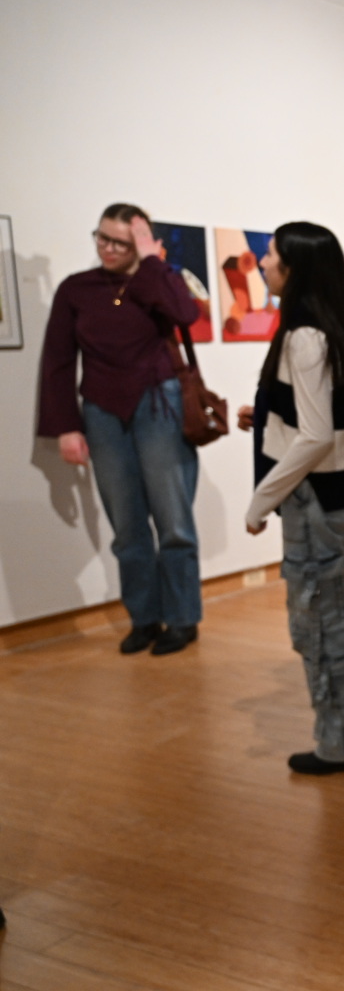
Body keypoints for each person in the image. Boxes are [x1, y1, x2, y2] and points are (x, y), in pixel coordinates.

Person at [241, 222, 344, 775]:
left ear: (297, 270)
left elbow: (315, 436)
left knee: (316, 623)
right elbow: (325, 419)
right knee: (336, 612)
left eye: (271, 257)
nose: (263, 264)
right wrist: (265, 418)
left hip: (318, 498)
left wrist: (260, 501)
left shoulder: (305, 336)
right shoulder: (341, 324)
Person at [37, 204, 204, 656]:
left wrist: (151, 261)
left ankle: (184, 618)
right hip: (102, 413)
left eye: (120, 243)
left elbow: (184, 313)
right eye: (102, 238)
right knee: (126, 526)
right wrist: (66, 428)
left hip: (159, 405)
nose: (108, 249)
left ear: (141, 244)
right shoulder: (77, 289)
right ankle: (145, 617)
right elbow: (56, 360)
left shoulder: (156, 278)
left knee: (173, 522)